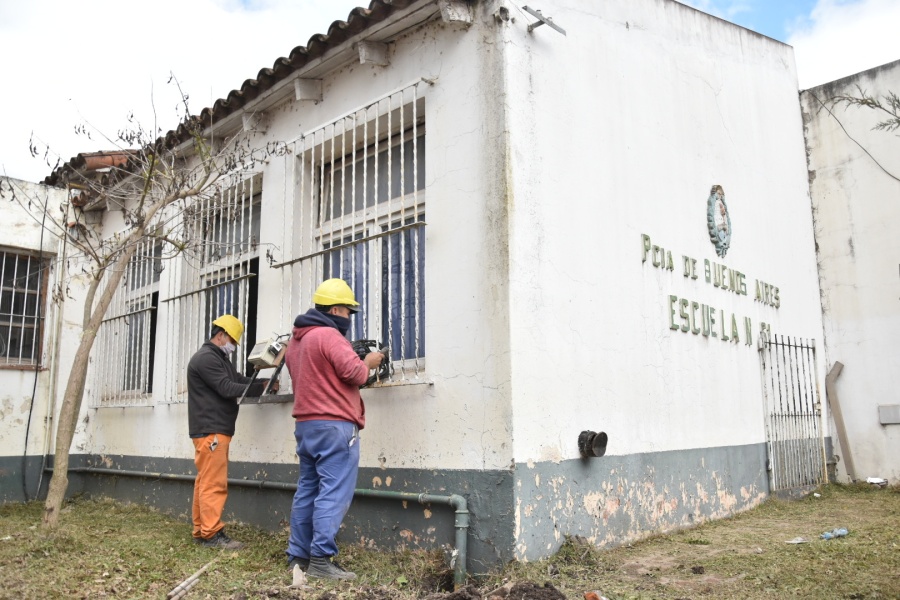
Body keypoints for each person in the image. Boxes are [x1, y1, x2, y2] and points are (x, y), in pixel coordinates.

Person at [284, 279, 384, 580]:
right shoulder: (328, 335)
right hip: (335, 426)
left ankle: (298, 557)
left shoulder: (296, 341)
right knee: (333, 493)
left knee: (307, 490)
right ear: (337, 309)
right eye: (349, 313)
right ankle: (321, 561)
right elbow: (355, 373)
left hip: (306, 425)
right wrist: (370, 362)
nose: (349, 319)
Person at [187, 314, 272, 549]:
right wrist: (259, 389)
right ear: (221, 335)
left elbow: (237, 379)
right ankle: (212, 535)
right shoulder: (206, 358)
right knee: (214, 484)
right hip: (211, 429)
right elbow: (227, 388)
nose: (233, 346)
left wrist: (262, 382)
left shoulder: (217, 359)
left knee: (204, 482)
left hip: (212, 429)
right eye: (232, 341)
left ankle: (201, 531)